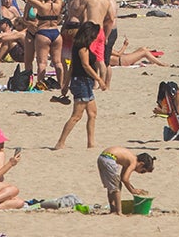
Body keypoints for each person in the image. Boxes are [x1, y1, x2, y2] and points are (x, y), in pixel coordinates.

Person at [54, 22, 106, 150]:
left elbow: (71, 67)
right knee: (76, 116)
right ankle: (60, 142)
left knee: (92, 113)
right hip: (82, 82)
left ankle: (91, 143)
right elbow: (85, 65)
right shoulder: (82, 48)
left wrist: (65, 85)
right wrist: (99, 79)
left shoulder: (79, 46)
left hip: (83, 82)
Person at [97, 147, 154, 215]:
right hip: (109, 159)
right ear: (141, 164)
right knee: (116, 187)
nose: (140, 173)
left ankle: (113, 210)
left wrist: (132, 188)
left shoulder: (129, 159)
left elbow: (122, 177)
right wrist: (132, 191)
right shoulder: (133, 162)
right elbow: (125, 179)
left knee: (112, 186)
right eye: (142, 171)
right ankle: (119, 212)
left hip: (102, 157)